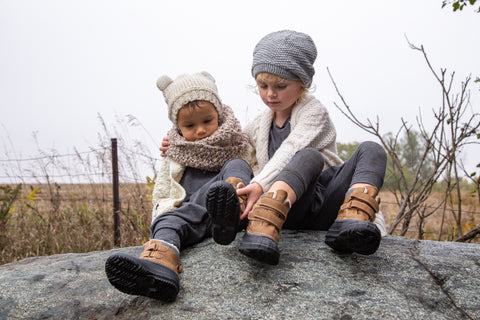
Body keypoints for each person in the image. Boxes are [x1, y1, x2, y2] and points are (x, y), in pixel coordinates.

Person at [204, 30, 387, 265]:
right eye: (262, 85)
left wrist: (260, 184)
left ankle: (354, 218)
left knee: (369, 149)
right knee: (235, 163)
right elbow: (224, 146)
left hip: (323, 201)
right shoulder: (259, 124)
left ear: (302, 84)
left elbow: (292, 148)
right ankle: (238, 214)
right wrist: (180, 142)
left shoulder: (314, 111)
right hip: (285, 209)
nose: (270, 93)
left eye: (281, 85)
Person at [105, 71, 254, 301]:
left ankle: (232, 202)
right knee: (167, 221)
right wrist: (161, 216)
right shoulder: (175, 152)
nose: (201, 130)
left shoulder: (238, 142)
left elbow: (257, 169)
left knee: (237, 165)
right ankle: (159, 267)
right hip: (191, 217)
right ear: (177, 127)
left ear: (219, 114)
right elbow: (164, 192)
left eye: (207, 121)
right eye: (190, 125)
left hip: (233, 213)